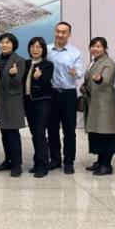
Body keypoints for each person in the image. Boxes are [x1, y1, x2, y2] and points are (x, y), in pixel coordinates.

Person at [47, 21, 84, 174]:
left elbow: (80, 73)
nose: (60, 34)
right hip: (51, 94)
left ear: (69, 34)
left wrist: (75, 73)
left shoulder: (75, 52)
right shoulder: (47, 50)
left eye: (64, 32)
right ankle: (55, 159)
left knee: (69, 131)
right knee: (52, 130)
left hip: (68, 94)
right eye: (58, 31)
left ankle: (69, 161)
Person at [82, 37, 115, 176]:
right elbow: (89, 79)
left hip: (103, 103)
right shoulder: (94, 61)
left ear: (105, 48)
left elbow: (105, 80)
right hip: (94, 101)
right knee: (97, 133)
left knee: (105, 134)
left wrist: (100, 79)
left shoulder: (108, 63)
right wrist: (84, 86)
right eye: (93, 46)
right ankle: (100, 161)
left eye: (98, 46)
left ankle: (107, 165)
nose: (95, 49)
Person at [0, 33, 26, 177]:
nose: (4, 45)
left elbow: (18, 82)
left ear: (14, 45)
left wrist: (14, 75)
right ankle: (8, 160)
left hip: (12, 101)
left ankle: (17, 164)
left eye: (8, 42)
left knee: (13, 133)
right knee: (4, 133)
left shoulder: (19, 60)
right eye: (2, 42)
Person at [24, 37, 54, 178]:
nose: (35, 49)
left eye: (38, 47)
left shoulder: (47, 65)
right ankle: (37, 162)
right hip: (28, 102)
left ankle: (43, 165)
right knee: (34, 133)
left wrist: (38, 77)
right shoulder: (25, 63)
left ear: (43, 50)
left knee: (40, 134)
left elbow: (45, 82)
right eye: (32, 46)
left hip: (42, 102)